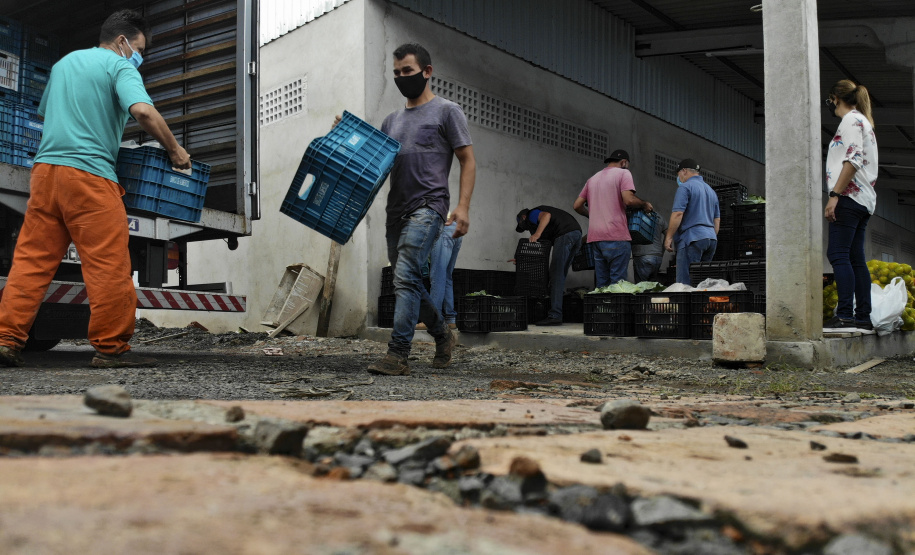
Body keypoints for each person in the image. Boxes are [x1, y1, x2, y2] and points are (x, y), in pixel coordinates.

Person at [0, 10, 191, 370]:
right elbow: (143, 112)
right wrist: (175, 149)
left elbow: (50, 114)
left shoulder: (64, 65)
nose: (139, 58)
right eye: (138, 49)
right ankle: (111, 348)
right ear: (122, 42)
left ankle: (6, 340)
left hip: (45, 174)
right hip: (89, 177)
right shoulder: (120, 67)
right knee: (107, 263)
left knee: (31, 262)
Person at [354, 43, 476, 376]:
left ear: (427, 71)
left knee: (406, 276)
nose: (401, 78)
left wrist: (462, 207)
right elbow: (373, 167)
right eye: (396, 73)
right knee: (407, 279)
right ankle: (443, 335)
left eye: (407, 71)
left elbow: (467, 160)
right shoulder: (391, 121)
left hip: (430, 206)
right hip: (396, 211)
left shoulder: (447, 111)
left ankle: (398, 354)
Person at [823, 80, 878, 332]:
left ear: (836, 98)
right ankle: (862, 318)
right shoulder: (863, 122)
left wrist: (835, 194)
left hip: (849, 197)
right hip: (863, 200)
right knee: (856, 258)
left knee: (837, 254)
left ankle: (845, 315)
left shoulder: (851, 121)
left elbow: (853, 160)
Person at [573, 149, 653, 287]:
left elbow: (577, 205)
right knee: (617, 285)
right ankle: (616, 309)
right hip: (616, 236)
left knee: (602, 284)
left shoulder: (593, 179)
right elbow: (629, 200)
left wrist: (592, 215)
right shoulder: (624, 173)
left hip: (596, 239)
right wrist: (644, 204)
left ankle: (603, 308)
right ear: (624, 162)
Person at [515, 205, 582, 325]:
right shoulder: (548, 229)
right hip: (576, 234)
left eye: (522, 225)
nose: (527, 229)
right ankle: (557, 311)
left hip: (565, 234)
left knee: (556, 275)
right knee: (559, 276)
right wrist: (521, 259)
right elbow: (540, 249)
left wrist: (537, 234)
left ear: (523, 217)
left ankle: (555, 315)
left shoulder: (532, 214)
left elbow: (546, 216)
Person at [664, 159, 720, 285]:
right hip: (711, 239)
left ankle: (686, 305)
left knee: (685, 283)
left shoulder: (685, 187)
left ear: (684, 171)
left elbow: (678, 214)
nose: (679, 178)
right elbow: (717, 220)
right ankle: (700, 305)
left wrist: (669, 237)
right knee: (702, 282)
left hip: (692, 238)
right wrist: (709, 235)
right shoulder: (711, 191)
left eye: (678, 174)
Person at [422, 218, 462, 330]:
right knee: (446, 276)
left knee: (437, 276)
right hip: (455, 228)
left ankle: (433, 320)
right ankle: (450, 319)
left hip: (443, 230)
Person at [632, 211, 668, 283]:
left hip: (642, 256)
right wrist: (662, 250)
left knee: (641, 288)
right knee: (652, 286)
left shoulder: (637, 216)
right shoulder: (659, 217)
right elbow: (668, 234)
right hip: (657, 256)